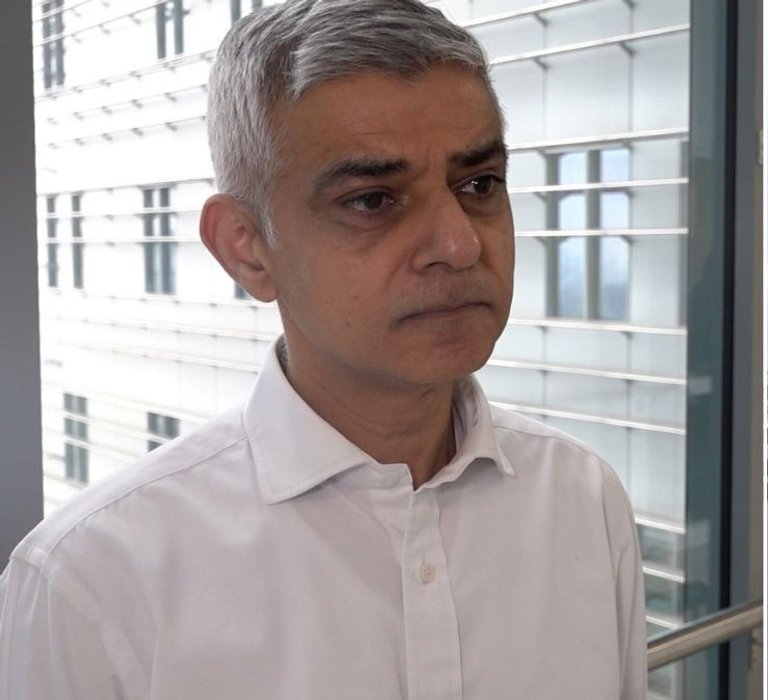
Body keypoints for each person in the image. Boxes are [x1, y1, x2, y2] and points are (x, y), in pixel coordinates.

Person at [0, 2, 647, 697]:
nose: (458, 245)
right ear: (246, 249)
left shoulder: (583, 498)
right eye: (373, 200)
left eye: (479, 185)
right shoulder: (92, 579)